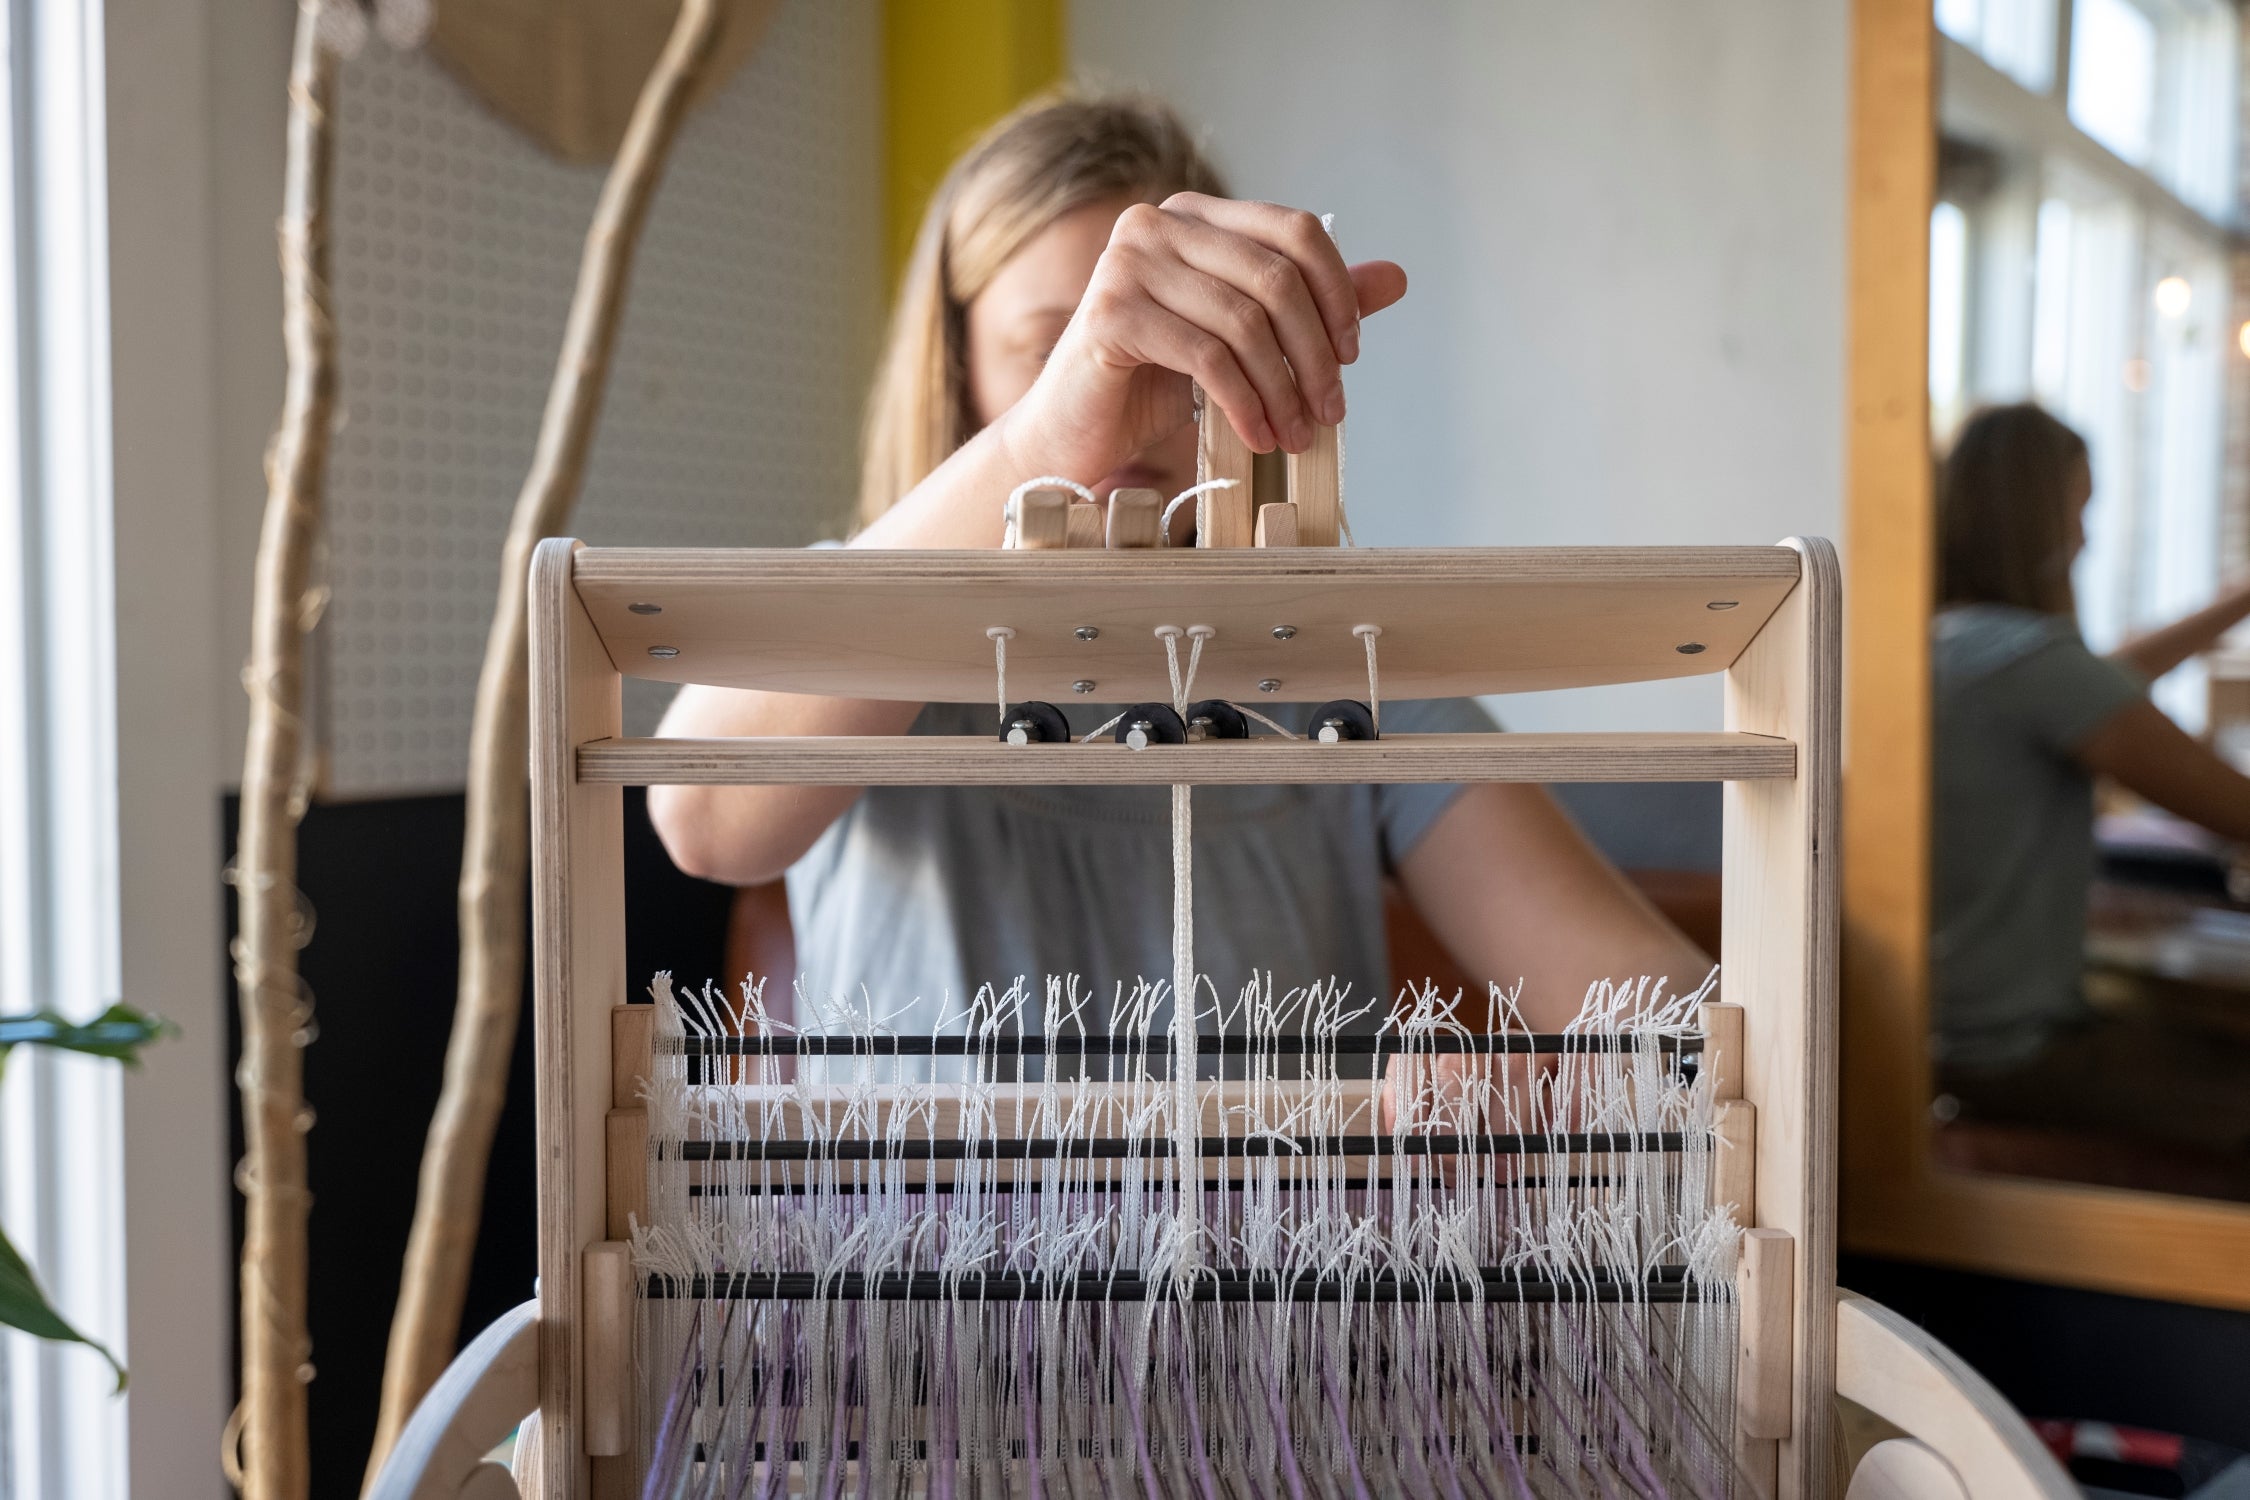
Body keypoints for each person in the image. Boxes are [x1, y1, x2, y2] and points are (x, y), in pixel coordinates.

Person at [648, 91, 1704, 1039]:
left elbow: (1661, 1011)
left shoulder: (1344, 659)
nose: (1120, 397)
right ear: (958, 360)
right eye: (1057, 348)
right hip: (909, 1264)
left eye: (1176, 343)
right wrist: (1034, 447)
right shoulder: (862, 612)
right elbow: (703, 820)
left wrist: (1535, 1094)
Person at [1932, 402, 2250, 1159]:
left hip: (1943, 1036)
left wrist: (2239, 598)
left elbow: (2104, 678)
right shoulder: (2025, 660)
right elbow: (2236, 809)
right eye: (2080, 509)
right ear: (2036, 519)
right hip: (2009, 1055)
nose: (2085, 536)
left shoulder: (1953, 642)